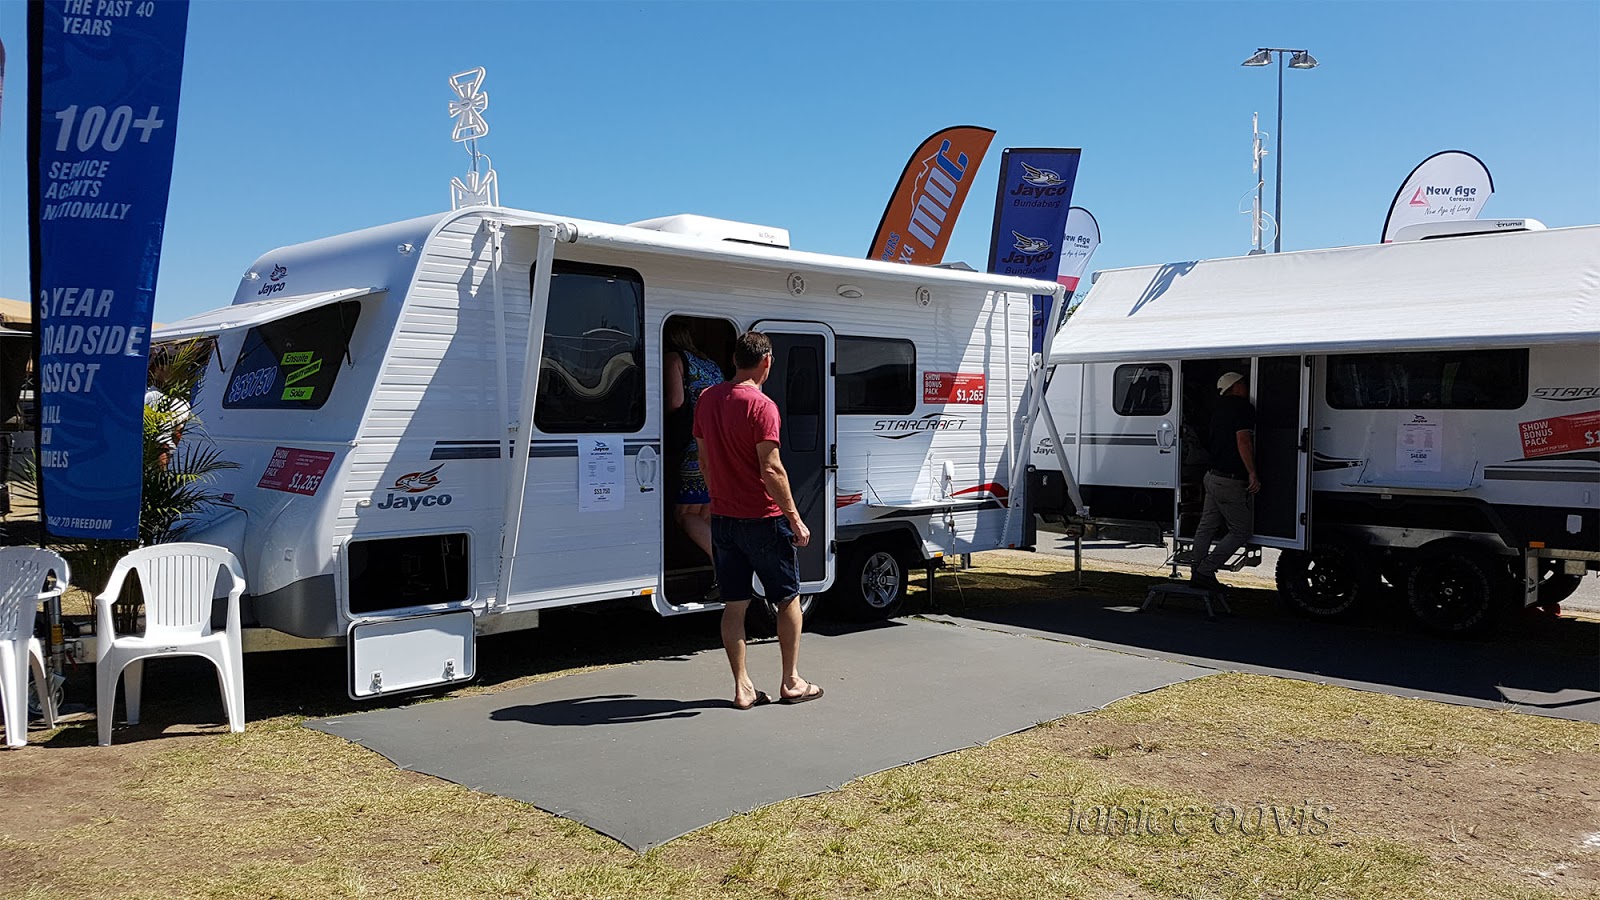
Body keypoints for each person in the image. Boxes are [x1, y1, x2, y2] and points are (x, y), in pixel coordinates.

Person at [693, 330, 823, 709]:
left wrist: (719, 495)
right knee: (786, 599)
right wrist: (795, 519)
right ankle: (792, 681)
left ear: (735, 360)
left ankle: (742, 687)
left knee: (735, 606)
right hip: (763, 519)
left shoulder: (707, 399)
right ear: (766, 362)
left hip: (723, 519)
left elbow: (703, 461)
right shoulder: (762, 406)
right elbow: (772, 469)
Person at [663, 321, 724, 575]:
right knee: (706, 514)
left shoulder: (673, 359)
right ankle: (720, 577)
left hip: (693, 448)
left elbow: (676, 402)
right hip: (717, 446)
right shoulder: (711, 365)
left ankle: (724, 564)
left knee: (686, 514)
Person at [1190, 371, 1259, 590]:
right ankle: (1206, 570)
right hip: (1230, 480)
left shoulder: (1217, 410)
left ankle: (1196, 571)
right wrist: (1252, 472)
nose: (1246, 386)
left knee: (1206, 526)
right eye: (1243, 383)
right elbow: (1243, 441)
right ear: (1235, 386)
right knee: (1241, 530)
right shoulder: (1244, 409)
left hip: (1212, 476)